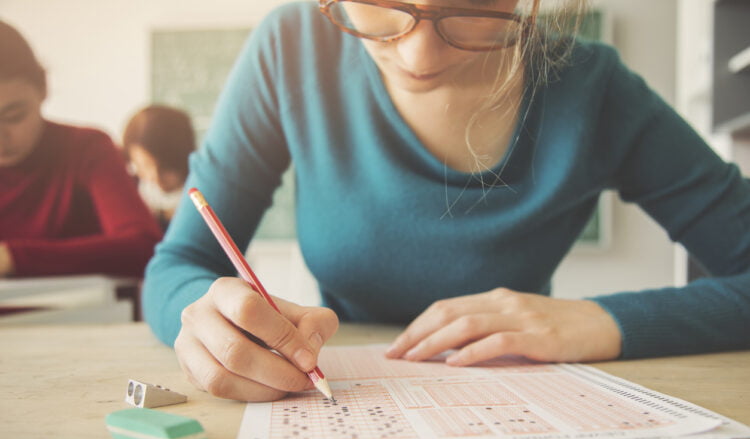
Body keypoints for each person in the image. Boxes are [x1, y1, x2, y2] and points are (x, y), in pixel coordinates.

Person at [142, 0, 750, 402]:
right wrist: (203, 316)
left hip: (523, 410)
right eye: (383, 4)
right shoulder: (293, 47)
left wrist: (604, 320)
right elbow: (176, 266)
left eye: (470, 4)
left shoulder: (593, 89)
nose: (417, 57)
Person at [0, 20, 162, 278]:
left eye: (14, 116)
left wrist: (13, 258)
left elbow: (143, 245)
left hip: (86, 316)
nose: (2, 138)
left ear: (43, 87)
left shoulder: (86, 148)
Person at [123, 105, 195, 230]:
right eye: (144, 165)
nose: (155, 176)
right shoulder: (131, 189)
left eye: (166, 168)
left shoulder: (204, 189)